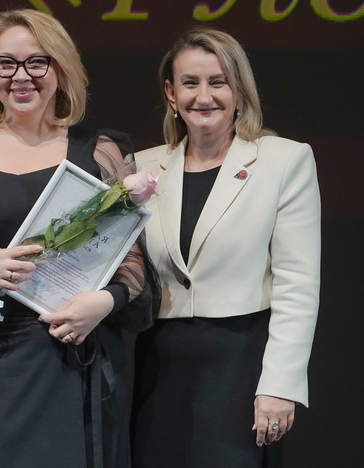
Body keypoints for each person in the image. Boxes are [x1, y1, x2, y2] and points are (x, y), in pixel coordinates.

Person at [0, 9, 153, 468]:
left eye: (37, 62)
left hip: (79, 357)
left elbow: (133, 265)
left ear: (61, 68)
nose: (21, 76)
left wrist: (104, 303)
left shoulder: (99, 151)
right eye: (6, 63)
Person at [130, 25, 321, 467]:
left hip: (242, 362)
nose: (204, 96)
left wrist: (280, 385)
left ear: (239, 91)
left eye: (218, 82)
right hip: (160, 363)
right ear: (171, 93)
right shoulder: (141, 168)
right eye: (190, 83)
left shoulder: (284, 161)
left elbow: (298, 283)